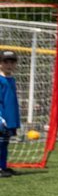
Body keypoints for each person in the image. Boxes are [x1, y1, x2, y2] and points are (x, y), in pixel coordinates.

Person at [0, 50, 20, 178]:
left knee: (5, 143)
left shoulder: (11, 79)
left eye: (12, 62)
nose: (9, 65)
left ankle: (3, 166)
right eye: (5, 61)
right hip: (2, 118)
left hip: (10, 117)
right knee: (0, 142)